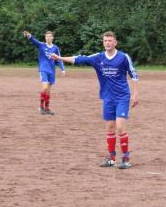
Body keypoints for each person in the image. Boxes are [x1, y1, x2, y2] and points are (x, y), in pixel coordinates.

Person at [51, 31, 138, 169]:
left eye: (110, 40)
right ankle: (112, 158)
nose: (107, 43)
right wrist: (59, 58)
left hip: (122, 96)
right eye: (105, 41)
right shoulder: (98, 57)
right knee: (110, 127)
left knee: (120, 126)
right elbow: (78, 59)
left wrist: (135, 94)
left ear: (115, 42)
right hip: (107, 98)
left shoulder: (123, 57)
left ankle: (126, 158)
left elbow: (133, 75)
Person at [23, 30, 65, 115]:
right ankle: (41, 107)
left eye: (50, 36)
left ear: (52, 38)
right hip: (43, 70)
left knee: (48, 91)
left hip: (52, 71)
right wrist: (29, 36)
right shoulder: (41, 45)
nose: (48, 37)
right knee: (45, 88)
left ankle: (47, 108)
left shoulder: (55, 48)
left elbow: (59, 59)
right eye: (47, 36)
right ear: (45, 38)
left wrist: (62, 69)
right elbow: (34, 41)